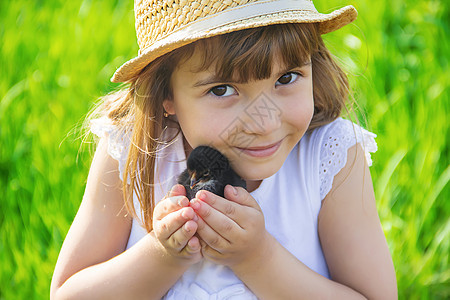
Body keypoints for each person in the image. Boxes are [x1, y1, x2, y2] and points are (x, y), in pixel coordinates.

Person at [50, 0, 397, 299]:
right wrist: (163, 255)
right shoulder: (133, 151)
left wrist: (257, 258)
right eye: (222, 90)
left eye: (286, 78)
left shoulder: (329, 157)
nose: (264, 123)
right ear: (165, 94)